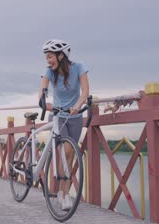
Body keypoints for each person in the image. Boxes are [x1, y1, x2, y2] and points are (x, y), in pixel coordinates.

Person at [38, 39, 90, 211]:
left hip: (75, 116)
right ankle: (65, 194)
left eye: (51, 56)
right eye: (46, 57)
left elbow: (85, 91)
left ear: (62, 55)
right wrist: (45, 102)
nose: (48, 60)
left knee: (70, 155)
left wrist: (77, 105)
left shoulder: (79, 67)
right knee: (66, 150)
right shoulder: (49, 72)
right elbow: (42, 93)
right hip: (58, 116)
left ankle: (61, 192)